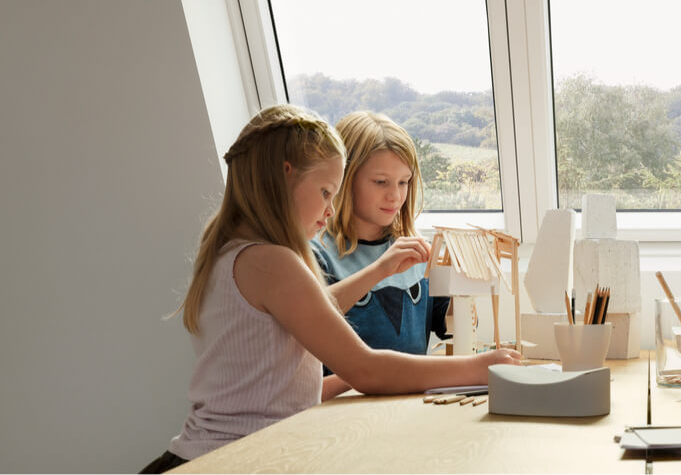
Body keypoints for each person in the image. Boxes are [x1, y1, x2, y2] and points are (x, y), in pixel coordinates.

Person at [142, 105, 518, 473]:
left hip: (210, 454)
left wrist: (382, 268)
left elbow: (309, 318)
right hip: (236, 458)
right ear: (285, 175)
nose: (330, 208)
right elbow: (366, 369)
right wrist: (478, 367)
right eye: (325, 192)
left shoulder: (231, 251)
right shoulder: (273, 262)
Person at [310, 111, 450, 397]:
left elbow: (446, 322)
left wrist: (467, 285)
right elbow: (310, 318)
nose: (395, 196)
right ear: (344, 180)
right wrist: (380, 270)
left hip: (410, 405)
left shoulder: (416, 249)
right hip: (343, 416)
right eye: (380, 182)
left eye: (404, 182)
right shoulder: (317, 254)